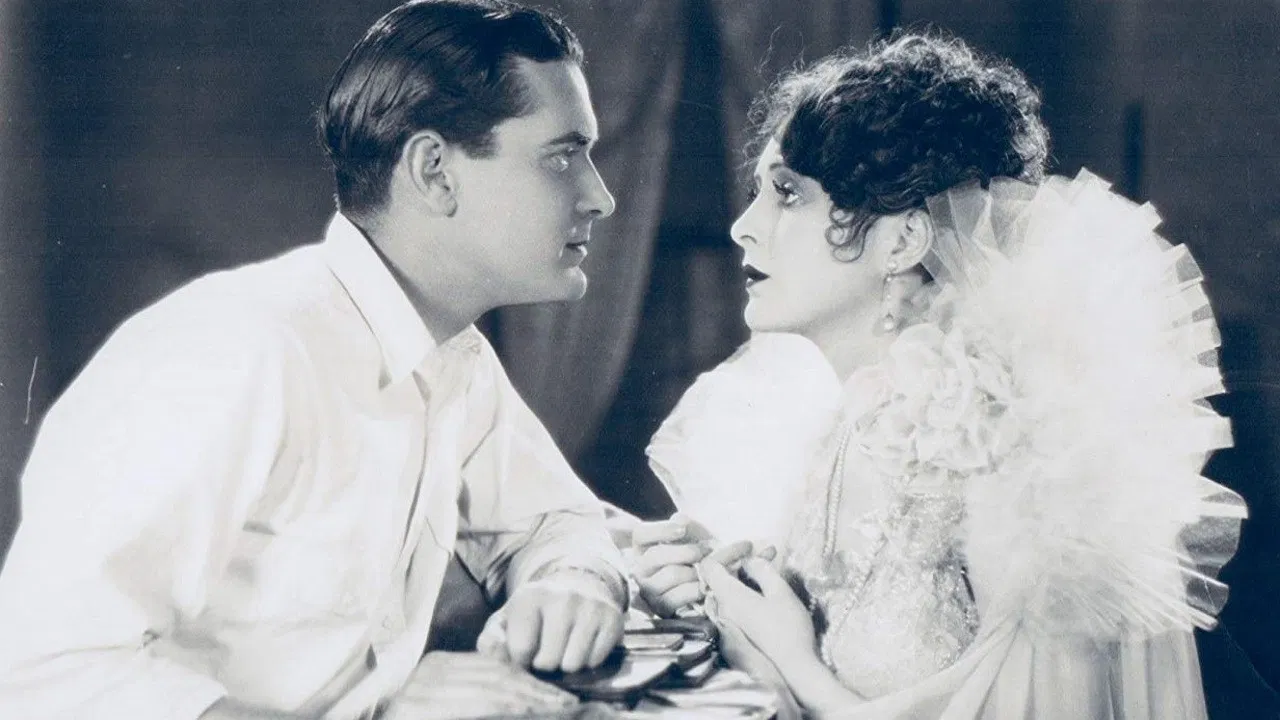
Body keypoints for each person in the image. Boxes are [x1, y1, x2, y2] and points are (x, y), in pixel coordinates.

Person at [0, 1, 628, 718]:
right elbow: (43, 672)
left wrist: (570, 586)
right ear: (434, 172)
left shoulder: (454, 356)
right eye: (562, 156)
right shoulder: (238, 352)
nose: (600, 197)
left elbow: (556, 520)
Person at [634, 32, 1246, 718]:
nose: (744, 227)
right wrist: (719, 592)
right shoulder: (824, 422)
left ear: (902, 238)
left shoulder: (1002, 453)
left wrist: (796, 664)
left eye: (787, 194)